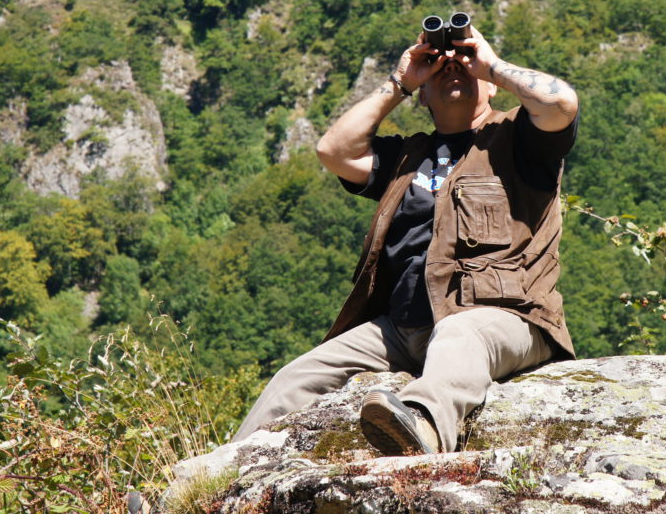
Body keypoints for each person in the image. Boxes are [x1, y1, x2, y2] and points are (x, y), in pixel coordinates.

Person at [232, 24, 579, 455]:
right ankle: (211, 476)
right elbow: (333, 151)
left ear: (491, 90)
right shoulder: (407, 157)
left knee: (459, 334)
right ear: (425, 98)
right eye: (440, 69)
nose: (453, 70)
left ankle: (423, 429)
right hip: (403, 327)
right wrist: (401, 81)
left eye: (464, 68)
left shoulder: (518, 140)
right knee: (297, 377)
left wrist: (490, 65)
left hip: (506, 315)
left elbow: (561, 102)